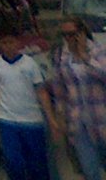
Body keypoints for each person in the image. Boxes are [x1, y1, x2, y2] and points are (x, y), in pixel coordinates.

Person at [47, 15, 106, 179]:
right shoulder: (62, 56)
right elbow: (59, 89)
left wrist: (84, 56)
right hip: (78, 121)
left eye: (72, 34)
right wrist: (59, 117)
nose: (69, 38)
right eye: (65, 35)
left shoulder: (98, 51)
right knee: (90, 170)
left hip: (101, 118)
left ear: (81, 32)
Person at [0, 29, 52, 180]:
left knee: (37, 164)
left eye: (11, 42)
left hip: (31, 120)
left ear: (18, 43)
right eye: (4, 43)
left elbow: (41, 91)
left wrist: (51, 118)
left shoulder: (29, 64)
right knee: (13, 161)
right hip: (7, 120)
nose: (8, 46)